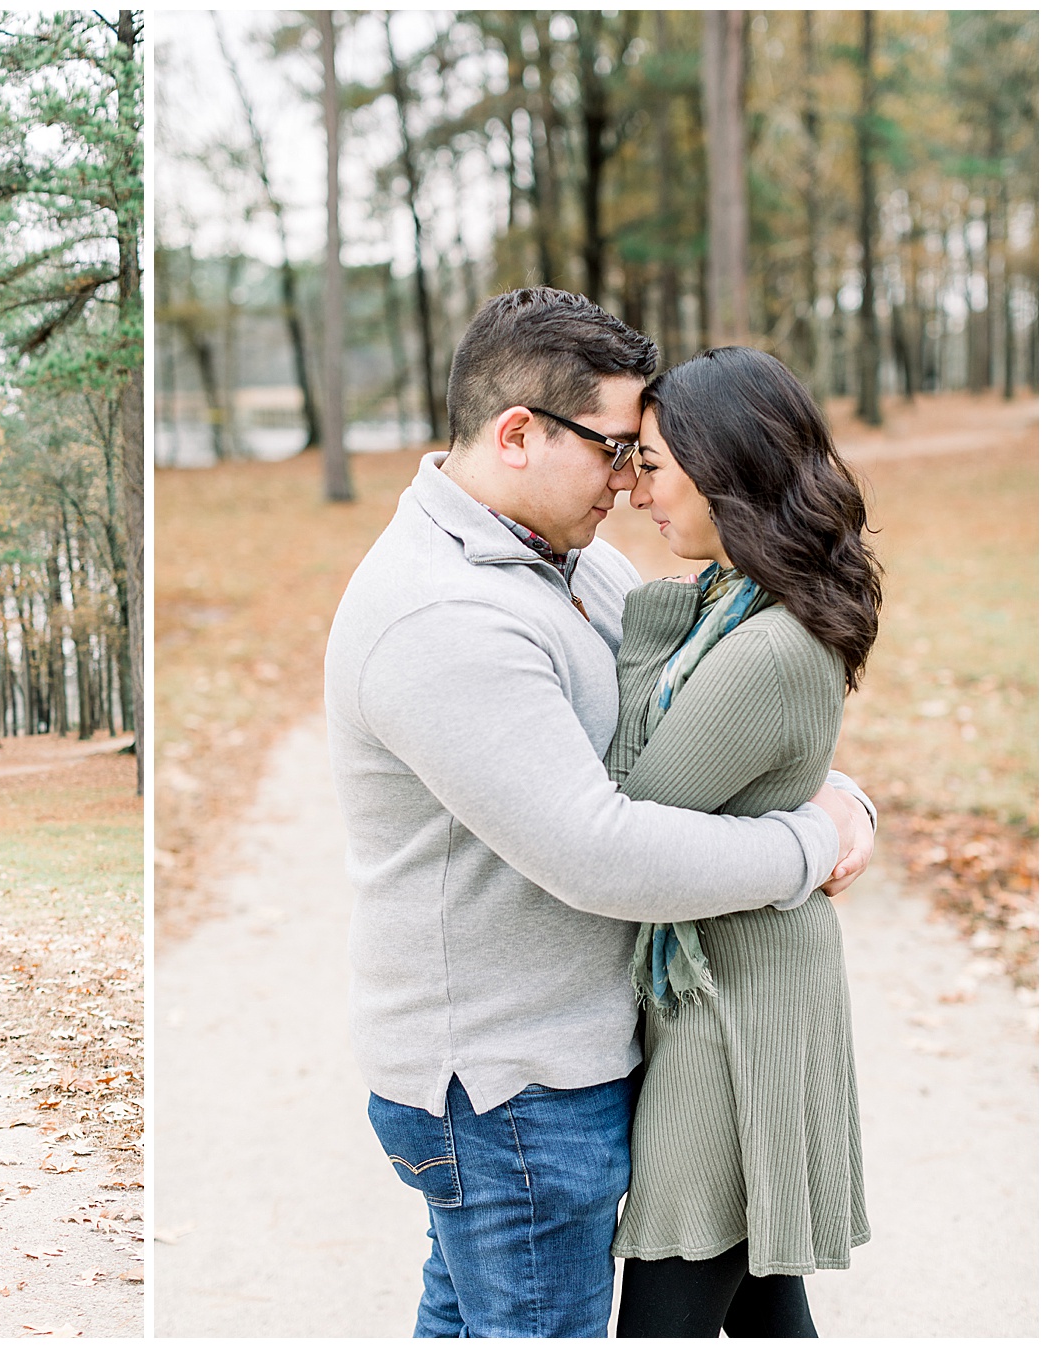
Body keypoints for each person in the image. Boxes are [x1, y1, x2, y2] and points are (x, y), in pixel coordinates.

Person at [322, 288, 877, 1338]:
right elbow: (600, 852)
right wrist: (809, 844)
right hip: (510, 1090)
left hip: (556, 1061)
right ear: (519, 434)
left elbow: (717, 726)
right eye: (616, 450)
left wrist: (839, 794)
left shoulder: (572, 564)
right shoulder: (444, 613)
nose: (631, 485)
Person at [607, 348, 879, 1337]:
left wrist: (644, 630)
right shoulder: (738, 603)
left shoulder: (763, 644)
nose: (636, 490)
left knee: (663, 1321)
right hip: (731, 986)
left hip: (733, 1017)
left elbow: (626, 817)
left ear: (720, 465)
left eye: (651, 463)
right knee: (767, 1309)